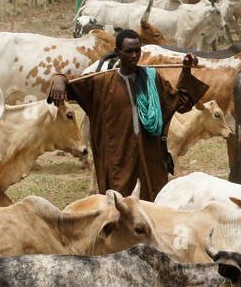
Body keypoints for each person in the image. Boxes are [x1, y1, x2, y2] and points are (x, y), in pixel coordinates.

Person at [47, 29, 206, 198]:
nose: (134, 56)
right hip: (117, 160)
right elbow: (70, 84)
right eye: (129, 51)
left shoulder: (152, 79)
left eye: (137, 50)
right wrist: (58, 79)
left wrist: (187, 71)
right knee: (119, 207)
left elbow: (180, 102)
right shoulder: (102, 83)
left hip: (149, 157)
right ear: (118, 53)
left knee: (152, 205)